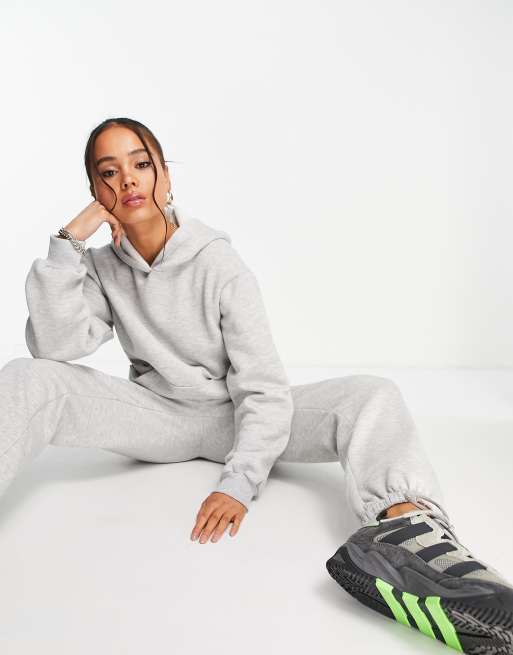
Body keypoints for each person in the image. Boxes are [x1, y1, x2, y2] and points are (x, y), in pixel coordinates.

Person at [3, 117, 511, 654]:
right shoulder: (102, 267)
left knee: (371, 395)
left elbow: (263, 388)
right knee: (30, 377)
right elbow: (54, 347)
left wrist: (238, 483)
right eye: (108, 172)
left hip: (235, 417)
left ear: (165, 176)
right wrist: (69, 242)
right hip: (156, 417)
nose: (127, 179)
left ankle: (411, 543)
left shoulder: (219, 264)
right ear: (95, 191)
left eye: (141, 164)